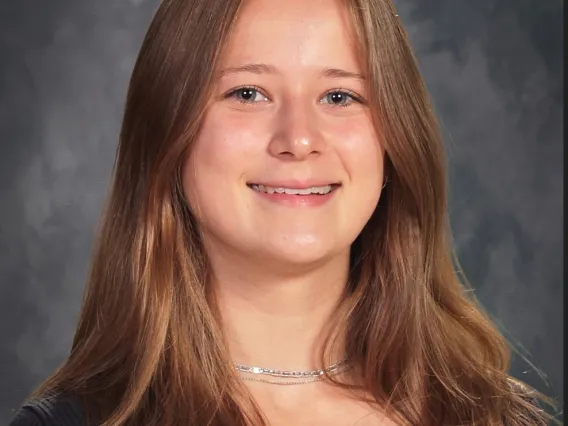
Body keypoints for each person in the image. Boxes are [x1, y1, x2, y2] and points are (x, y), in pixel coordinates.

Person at [9, 0, 558, 425]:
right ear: (169, 135)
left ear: (394, 140)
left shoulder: (498, 418)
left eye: (340, 97)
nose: (298, 139)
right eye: (248, 93)